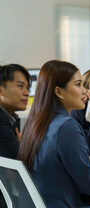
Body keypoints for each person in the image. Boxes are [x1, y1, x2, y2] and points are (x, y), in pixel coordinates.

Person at [17, 60, 90, 208]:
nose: (84, 91)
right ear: (59, 92)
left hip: (44, 203)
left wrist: (86, 165)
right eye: (78, 84)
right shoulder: (67, 126)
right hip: (66, 204)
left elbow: (49, 166)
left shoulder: (34, 122)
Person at [0, 64, 31, 208]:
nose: (26, 93)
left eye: (27, 88)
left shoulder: (10, 118)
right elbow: (22, 159)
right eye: (20, 86)